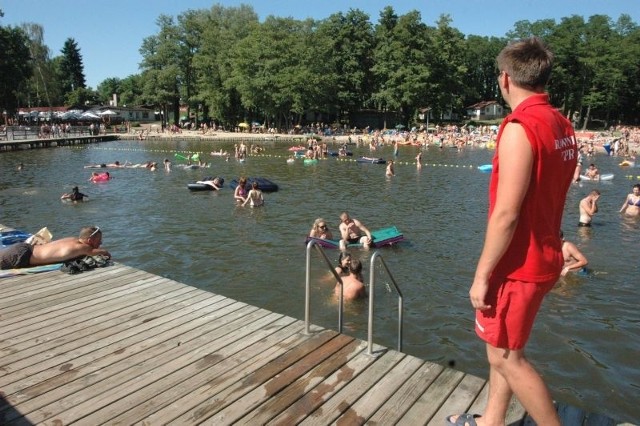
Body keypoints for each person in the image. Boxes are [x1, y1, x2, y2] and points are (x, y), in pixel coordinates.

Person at [452, 37, 578, 426]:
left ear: (505, 79)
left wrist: (481, 276)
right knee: (502, 344)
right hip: (545, 254)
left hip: (518, 263)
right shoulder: (562, 123)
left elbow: (506, 214)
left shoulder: (520, 127)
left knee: (506, 357)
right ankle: (491, 420)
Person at [0, 226, 111, 270]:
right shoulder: (83, 247)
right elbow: (104, 253)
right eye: (99, 241)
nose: (100, 243)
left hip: (25, 248)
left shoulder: (72, 240)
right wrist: (105, 251)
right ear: (90, 241)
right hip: (22, 256)